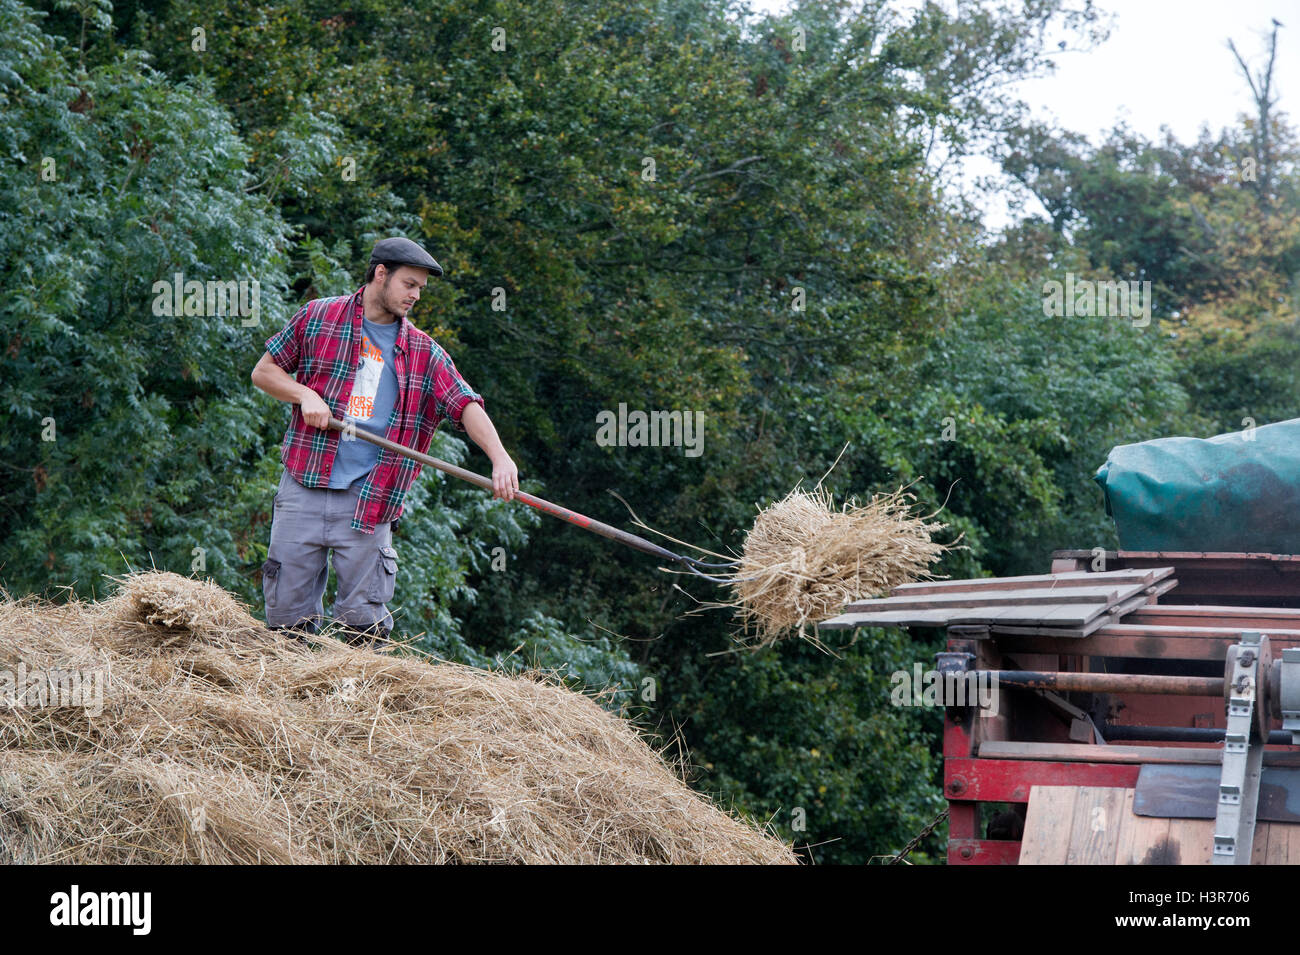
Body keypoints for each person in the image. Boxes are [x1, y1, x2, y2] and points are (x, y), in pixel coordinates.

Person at [250, 236, 518, 644]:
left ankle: (350, 706)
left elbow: (465, 403)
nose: (416, 296)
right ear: (381, 274)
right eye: (409, 284)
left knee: (363, 630)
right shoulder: (318, 317)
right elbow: (264, 373)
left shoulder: (423, 353)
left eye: (420, 289)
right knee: (287, 626)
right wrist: (305, 394)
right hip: (302, 487)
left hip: (370, 499)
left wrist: (499, 457)